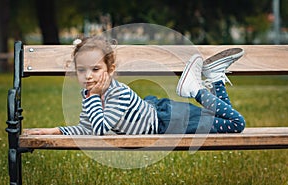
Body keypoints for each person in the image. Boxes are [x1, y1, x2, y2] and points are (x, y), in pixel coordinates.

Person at [23, 36, 245, 136]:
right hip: (162, 115)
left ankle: (194, 90)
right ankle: (215, 76)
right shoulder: (91, 94)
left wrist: (92, 99)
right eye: (82, 71)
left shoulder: (117, 93)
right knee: (224, 119)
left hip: (169, 122)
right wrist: (56, 131)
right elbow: (88, 129)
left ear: (110, 70)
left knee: (236, 124)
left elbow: (100, 130)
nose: (88, 76)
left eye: (96, 69)